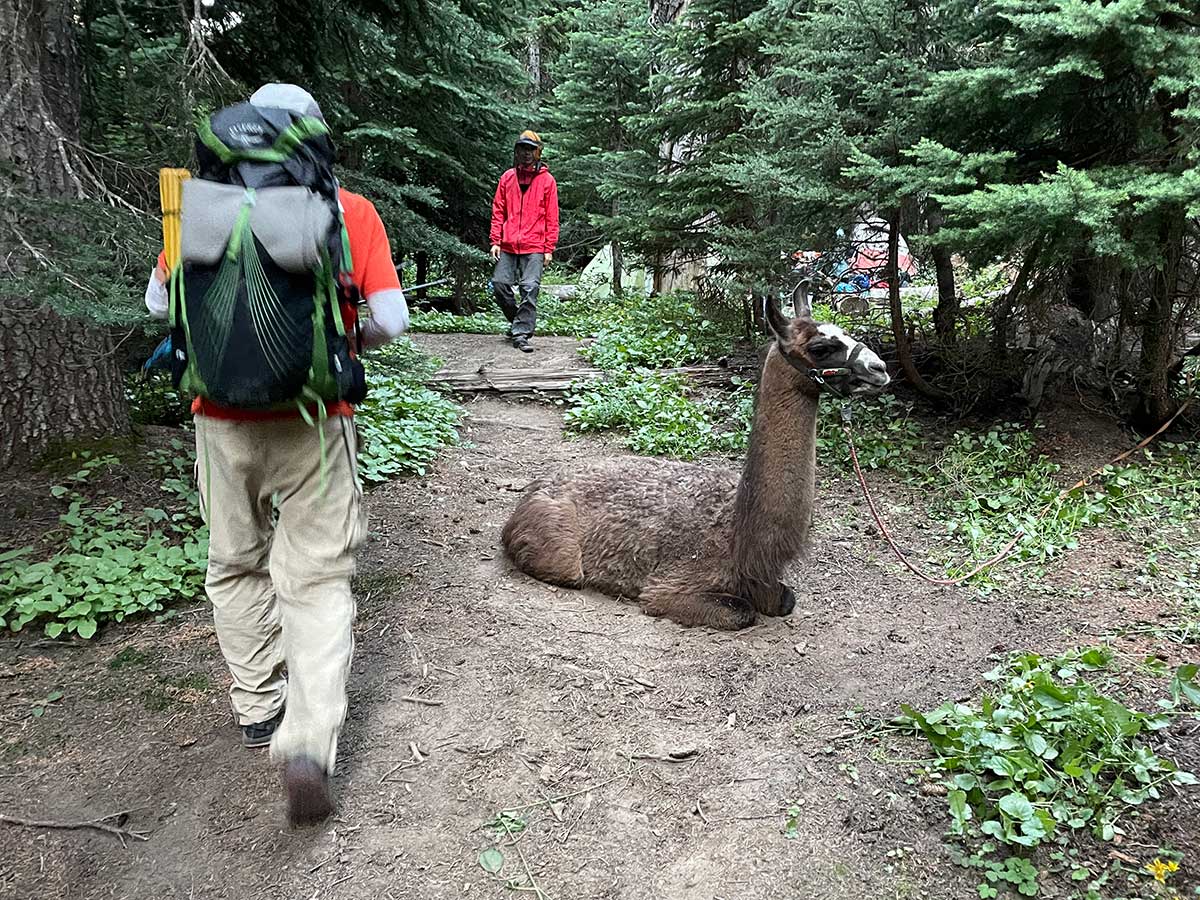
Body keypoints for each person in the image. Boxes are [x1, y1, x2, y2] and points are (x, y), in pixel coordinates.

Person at [144, 84, 408, 826]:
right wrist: (337, 336)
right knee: (317, 577)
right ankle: (307, 744)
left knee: (234, 561)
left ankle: (258, 704)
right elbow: (391, 318)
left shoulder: (192, 204)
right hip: (316, 422)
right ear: (314, 139)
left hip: (218, 425)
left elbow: (159, 307)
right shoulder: (349, 210)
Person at [489, 130, 559, 353]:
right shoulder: (507, 178)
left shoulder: (547, 181)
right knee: (500, 285)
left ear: (538, 152)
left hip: (535, 246)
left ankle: (521, 335)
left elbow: (552, 217)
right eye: (523, 149)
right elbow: (498, 210)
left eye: (531, 149)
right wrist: (495, 241)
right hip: (508, 244)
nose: (526, 154)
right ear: (517, 152)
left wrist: (549, 248)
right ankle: (518, 322)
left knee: (530, 288)